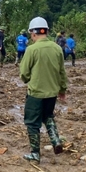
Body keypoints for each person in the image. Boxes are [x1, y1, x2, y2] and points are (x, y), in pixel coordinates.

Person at [19, 17, 68, 164]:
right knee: (48, 116)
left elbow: (24, 74)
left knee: (32, 123)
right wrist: (62, 90)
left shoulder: (31, 50)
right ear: (46, 31)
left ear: (33, 34)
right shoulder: (57, 48)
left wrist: (28, 79)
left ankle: (35, 154)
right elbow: (62, 72)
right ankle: (55, 139)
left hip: (36, 93)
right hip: (52, 93)